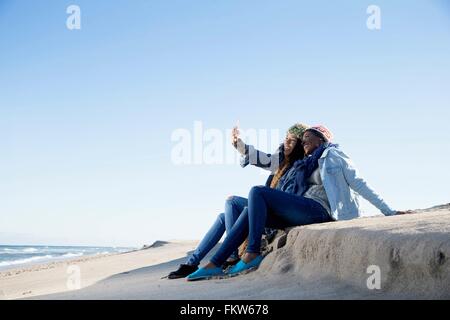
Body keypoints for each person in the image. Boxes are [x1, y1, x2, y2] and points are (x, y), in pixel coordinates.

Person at [187, 125, 410, 281]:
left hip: (320, 210)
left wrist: (388, 211)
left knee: (258, 192)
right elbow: (267, 159)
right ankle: (215, 264)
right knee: (248, 209)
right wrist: (241, 145)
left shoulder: (333, 156)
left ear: (321, 138)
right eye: (301, 138)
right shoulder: (302, 164)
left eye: (307, 137)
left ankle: (252, 253)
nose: (303, 141)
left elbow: (360, 183)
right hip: (302, 208)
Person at [166, 123, 309, 279]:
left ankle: (232, 257)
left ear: (300, 145)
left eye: (292, 141)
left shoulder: (300, 166)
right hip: (265, 205)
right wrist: (238, 144)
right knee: (223, 215)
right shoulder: (281, 160)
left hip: (272, 212)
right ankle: (191, 263)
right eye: (286, 139)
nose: (286, 144)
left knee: (233, 201)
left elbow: (291, 197)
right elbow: (262, 158)